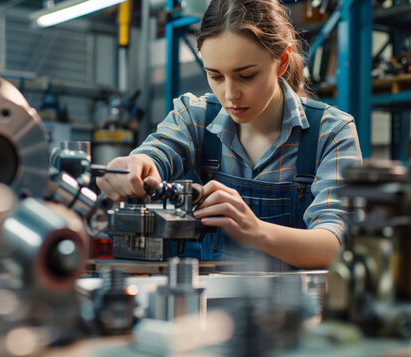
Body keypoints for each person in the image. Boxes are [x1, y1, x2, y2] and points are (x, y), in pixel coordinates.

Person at [97, 0, 362, 270]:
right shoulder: (195, 117)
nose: (230, 95)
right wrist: (137, 164)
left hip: (295, 309)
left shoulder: (330, 132)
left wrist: (256, 231)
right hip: (209, 308)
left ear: (282, 62)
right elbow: (158, 152)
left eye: (246, 76)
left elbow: (338, 245)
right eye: (216, 76)